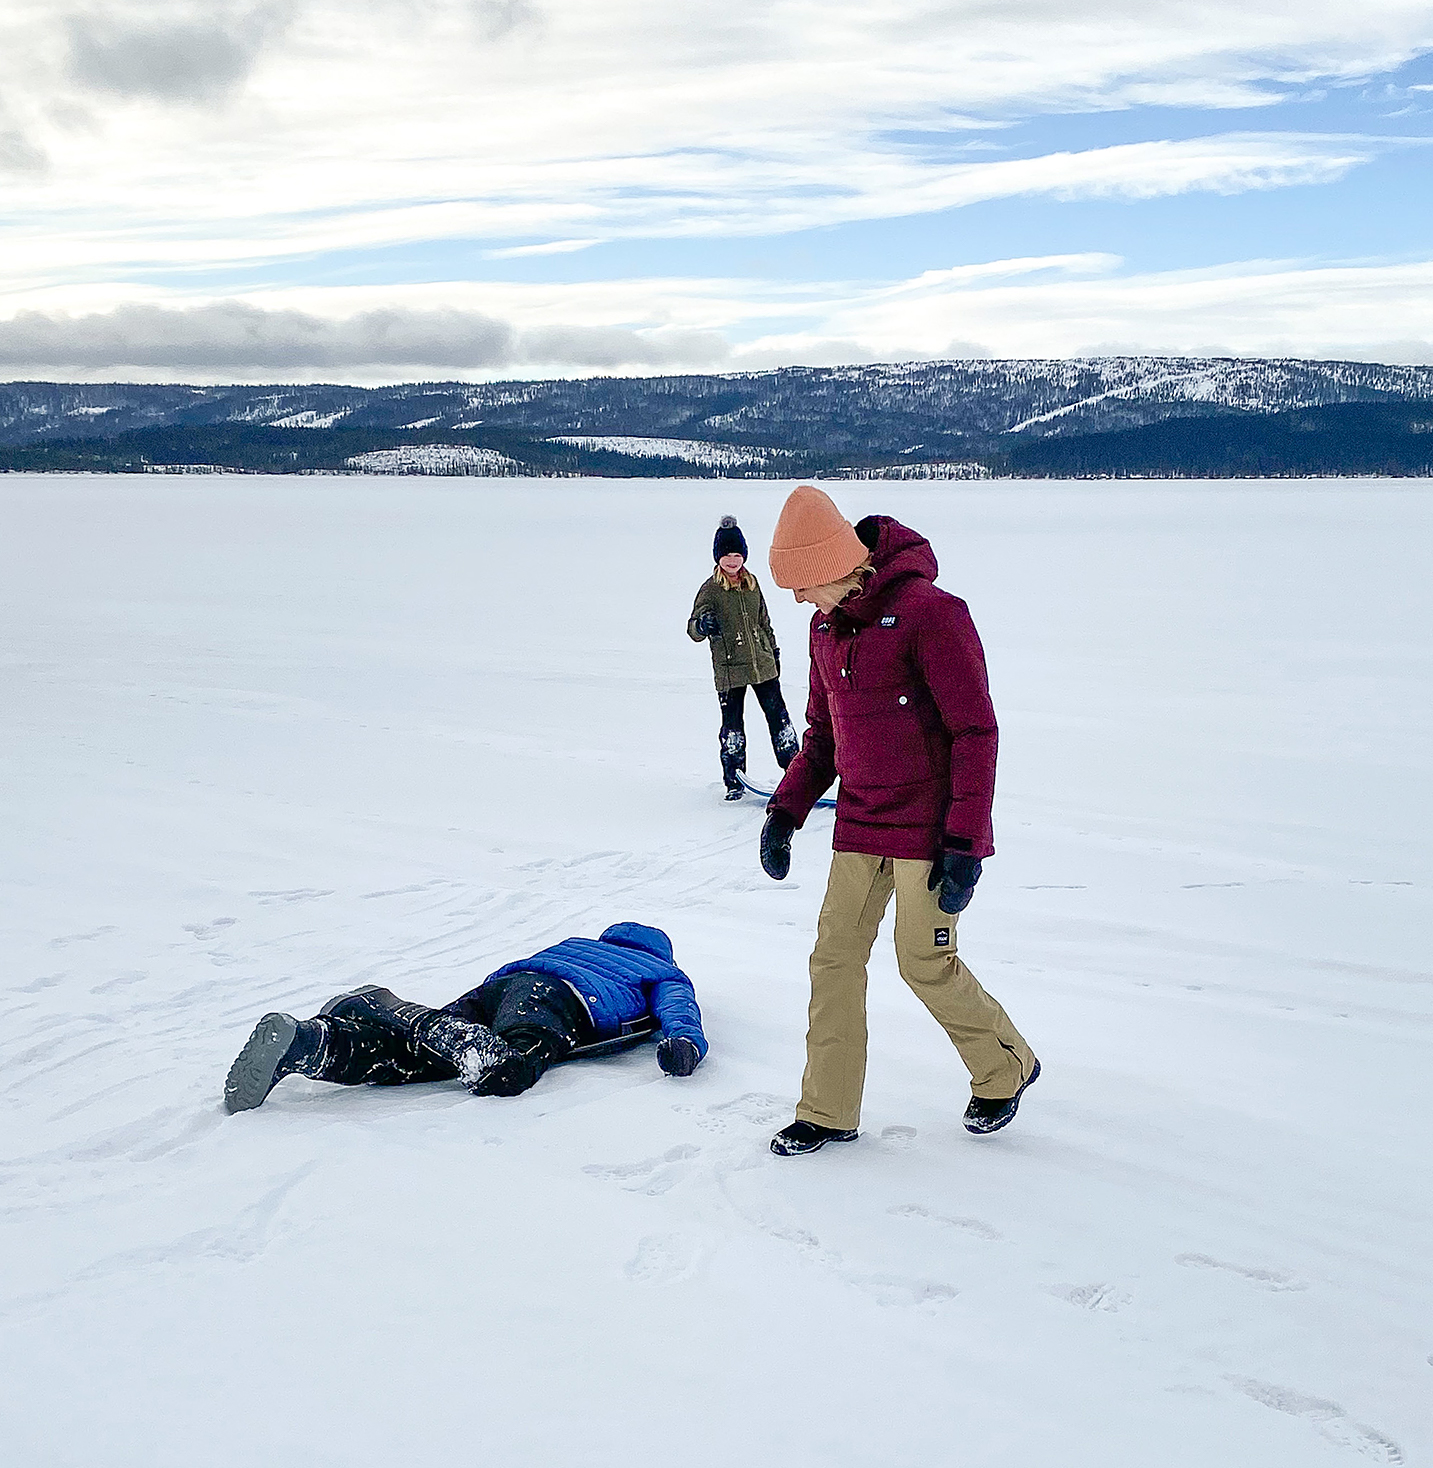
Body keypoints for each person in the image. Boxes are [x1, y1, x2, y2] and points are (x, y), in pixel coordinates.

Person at [757, 485, 1039, 1156]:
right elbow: (823, 736)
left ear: (832, 564)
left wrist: (966, 841)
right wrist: (785, 810)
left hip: (927, 828)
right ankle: (827, 1109)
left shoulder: (932, 615)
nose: (797, 599)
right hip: (859, 822)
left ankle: (1005, 1066)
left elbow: (975, 731)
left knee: (924, 961)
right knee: (834, 958)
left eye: (800, 584)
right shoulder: (824, 630)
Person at [224, 922, 707, 1114]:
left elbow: (513, 974)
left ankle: (310, 1044)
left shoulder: (577, 943)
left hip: (502, 988)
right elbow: (678, 1012)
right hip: (558, 999)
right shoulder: (662, 970)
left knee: (423, 1057)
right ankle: (392, 1010)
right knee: (506, 1066)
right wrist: (683, 1046)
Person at [687, 513, 800, 800]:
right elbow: (692, 629)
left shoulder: (753, 584)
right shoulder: (710, 590)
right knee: (733, 728)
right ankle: (734, 781)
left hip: (762, 664)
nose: (733, 561)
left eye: (737, 555)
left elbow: (764, 622)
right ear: (718, 558)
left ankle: (798, 773)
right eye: (727, 556)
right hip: (729, 670)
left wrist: (773, 652)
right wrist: (703, 625)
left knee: (780, 720)